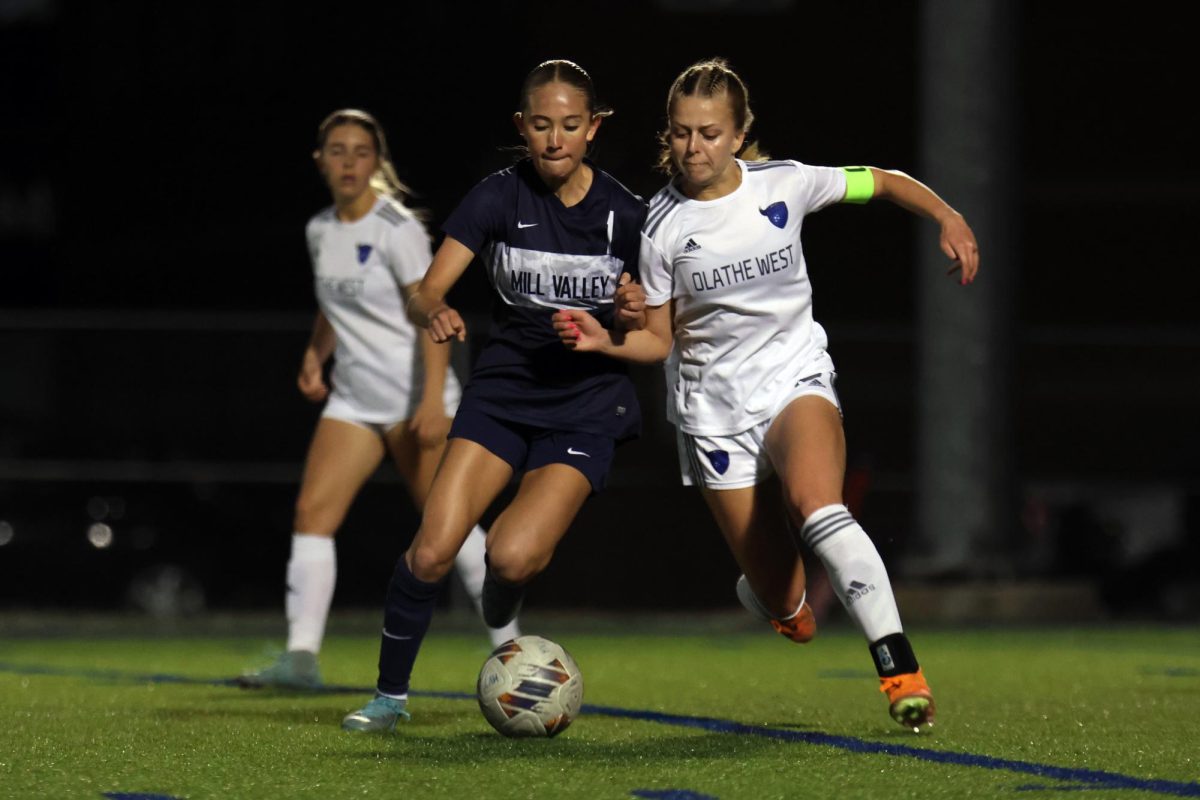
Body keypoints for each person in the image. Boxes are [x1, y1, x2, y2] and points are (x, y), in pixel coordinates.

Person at [554, 58, 979, 731]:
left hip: (794, 378)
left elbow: (886, 182)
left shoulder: (787, 183)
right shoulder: (659, 227)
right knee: (794, 612)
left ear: (741, 130)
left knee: (819, 507)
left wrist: (947, 215)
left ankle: (900, 671)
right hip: (715, 414)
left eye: (712, 133)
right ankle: (775, 601)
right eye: (684, 134)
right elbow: (658, 341)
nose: (696, 149)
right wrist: (609, 340)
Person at [340, 60, 647, 732]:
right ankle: (390, 697)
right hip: (504, 394)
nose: (556, 139)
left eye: (571, 125)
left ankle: (503, 598)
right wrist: (435, 310)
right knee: (431, 551)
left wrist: (629, 313)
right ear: (522, 128)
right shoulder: (497, 198)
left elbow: (651, 331)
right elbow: (425, 289)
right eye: (541, 125)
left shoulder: (629, 216)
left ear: (593, 128)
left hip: (584, 407)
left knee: (508, 555)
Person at [240, 109, 519, 691]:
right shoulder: (321, 229)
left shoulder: (396, 228)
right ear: (320, 161)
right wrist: (317, 354)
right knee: (312, 516)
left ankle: (512, 647)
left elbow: (433, 310)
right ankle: (300, 657)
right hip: (355, 400)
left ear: (376, 162)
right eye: (336, 151)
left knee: (451, 527)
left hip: (415, 397)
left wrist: (432, 402)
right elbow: (332, 306)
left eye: (360, 151)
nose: (347, 161)